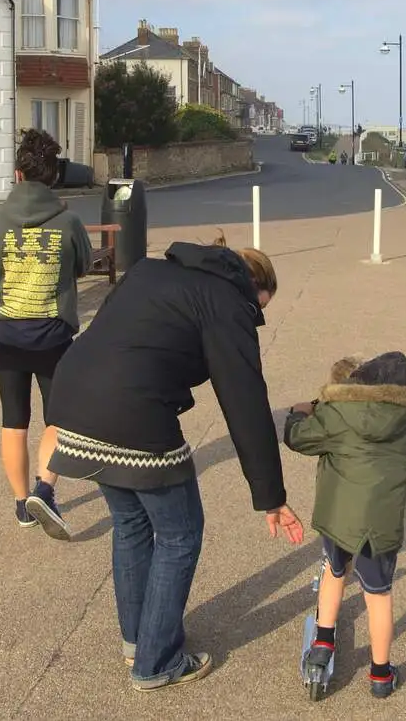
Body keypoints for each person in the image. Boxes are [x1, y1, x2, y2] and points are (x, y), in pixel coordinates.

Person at [46, 235, 306, 691]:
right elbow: (244, 401)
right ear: (252, 285)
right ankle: (158, 661)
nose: (256, 318)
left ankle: (138, 641)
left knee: (131, 525)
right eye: (260, 309)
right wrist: (271, 497)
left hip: (72, 397)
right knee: (180, 534)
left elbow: (119, 336)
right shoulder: (229, 301)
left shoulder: (149, 270)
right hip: (133, 413)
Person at [0, 129, 92, 538]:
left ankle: (22, 504)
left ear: (18, 174)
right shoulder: (68, 221)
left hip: (5, 331)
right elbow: (82, 265)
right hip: (52, 333)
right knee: (59, 417)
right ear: (53, 177)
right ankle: (46, 488)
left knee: (14, 419)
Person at [286, 351, 406, 699]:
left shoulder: (335, 414)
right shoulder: (405, 418)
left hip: (339, 518)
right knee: (378, 595)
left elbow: (298, 438)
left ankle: (323, 641)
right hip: (381, 524)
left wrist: (301, 412)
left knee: (334, 571)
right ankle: (380, 675)